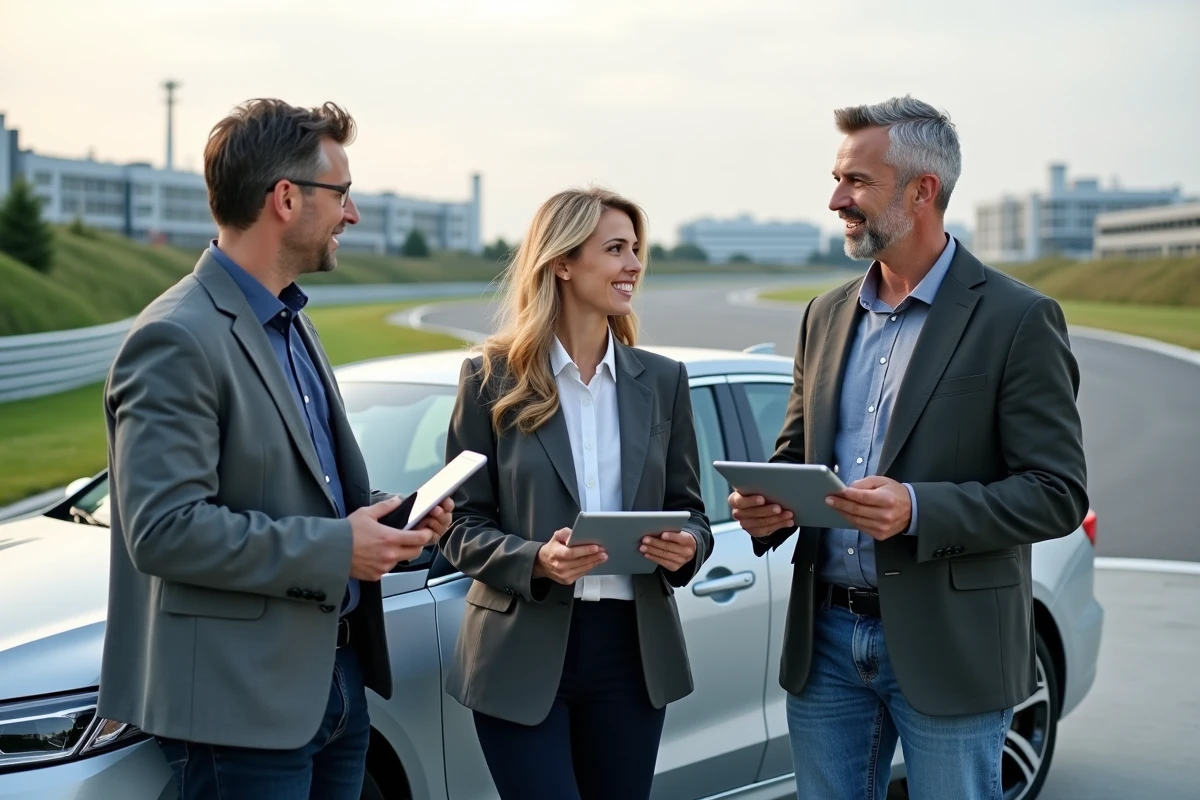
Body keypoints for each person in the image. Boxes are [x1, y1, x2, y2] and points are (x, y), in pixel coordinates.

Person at [729, 96, 1088, 799]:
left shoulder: (1017, 319)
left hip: (950, 645)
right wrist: (769, 503)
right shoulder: (825, 315)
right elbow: (796, 452)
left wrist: (917, 509)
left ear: (923, 192)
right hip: (825, 641)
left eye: (857, 182)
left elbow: (1058, 493)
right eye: (838, 179)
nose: (837, 199)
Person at [97, 98, 452, 800]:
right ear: (286, 199)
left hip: (336, 686)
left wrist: (392, 518)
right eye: (342, 194)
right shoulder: (177, 337)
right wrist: (335, 549)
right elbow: (163, 531)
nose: (351, 214)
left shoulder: (292, 324)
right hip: (241, 707)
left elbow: (304, 488)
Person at [439, 187, 713, 800]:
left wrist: (685, 547)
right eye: (615, 249)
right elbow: (458, 525)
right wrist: (536, 559)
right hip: (520, 654)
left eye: (636, 250)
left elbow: (693, 514)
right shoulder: (490, 378)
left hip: (631, 653)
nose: (633, 265)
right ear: (562, 262)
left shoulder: (663, 381)